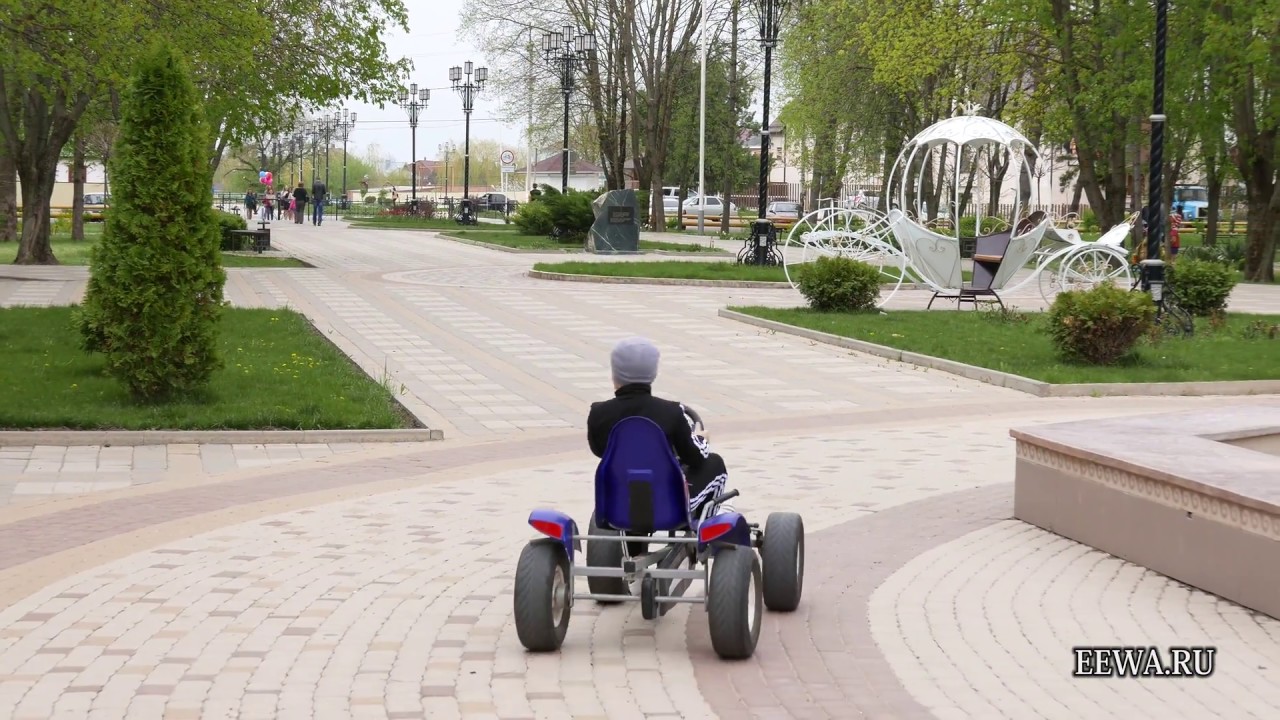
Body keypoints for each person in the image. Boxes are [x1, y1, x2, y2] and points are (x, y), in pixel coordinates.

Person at [587, 337, 732, 522]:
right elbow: (693, 457)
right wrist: (701, 439)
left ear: (614, 374)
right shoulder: (671, 412)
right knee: (714, 462)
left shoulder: (598, 413)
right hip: (669, 503)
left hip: (616, 501)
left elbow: (599, 451)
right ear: (653, 374)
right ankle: (705, 527)